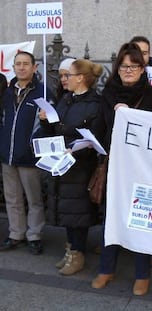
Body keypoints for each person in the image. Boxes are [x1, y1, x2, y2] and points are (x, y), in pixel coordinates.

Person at [91, 42, 152, 296]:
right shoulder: (108, 93)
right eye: (124, 66)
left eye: (134, 66)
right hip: (115, 165)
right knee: (111, 217)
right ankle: (106, 268)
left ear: (143, 69)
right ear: (118, 68)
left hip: (143, 168)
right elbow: (101, 128)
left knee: (142, 219)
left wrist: (131, 115)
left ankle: (142, 274)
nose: (129, 70)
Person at [36, 59, 104, 275]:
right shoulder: (66, 99)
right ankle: (70, 249)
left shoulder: (95, 104)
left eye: (69, 75)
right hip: (61, 164)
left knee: (78, 212)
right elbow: (57, 129)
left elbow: (97, 138)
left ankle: (78, 253)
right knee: (67, 211)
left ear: (81, 78)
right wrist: (46, 121)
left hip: (80, 167)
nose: (64, 79)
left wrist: (77, 149)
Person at [0, 51, 55, 255]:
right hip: (8, 154)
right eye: (18, 64)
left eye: (26, 64)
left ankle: (34, 235)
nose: (21, 67)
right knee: (12, 198)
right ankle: (16, 233)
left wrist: (45, 119)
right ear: (13, 67)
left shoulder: (43, 93)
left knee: (34, 199)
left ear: (34, 67)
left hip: (29, 156)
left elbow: (52, 124)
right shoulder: (6, 92)